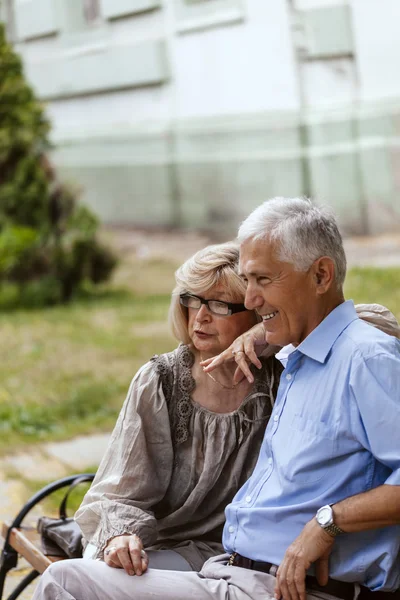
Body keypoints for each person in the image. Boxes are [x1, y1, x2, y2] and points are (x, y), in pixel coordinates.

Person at [33, 198, 400, 600]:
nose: (254, 301)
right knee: (68, 579)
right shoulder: (299, 359)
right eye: (248, 283)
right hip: (227, 571)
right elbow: (119, 492)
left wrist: (328, 522)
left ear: (321, 275)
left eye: (262, 281)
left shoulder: (356, 358)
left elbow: (367, 324)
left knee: (65, 585)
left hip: (278, 586)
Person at [73, 241, 282, 574]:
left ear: (255, 310)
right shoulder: (160, 381)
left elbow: (371, 320)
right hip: (152, 545)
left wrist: (269, 331)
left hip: (235, 555)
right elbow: (121, 490)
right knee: (90, 577)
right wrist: (121, 536)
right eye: (191, 300)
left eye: (218, 305)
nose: (200, 317)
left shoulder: (278, 379)